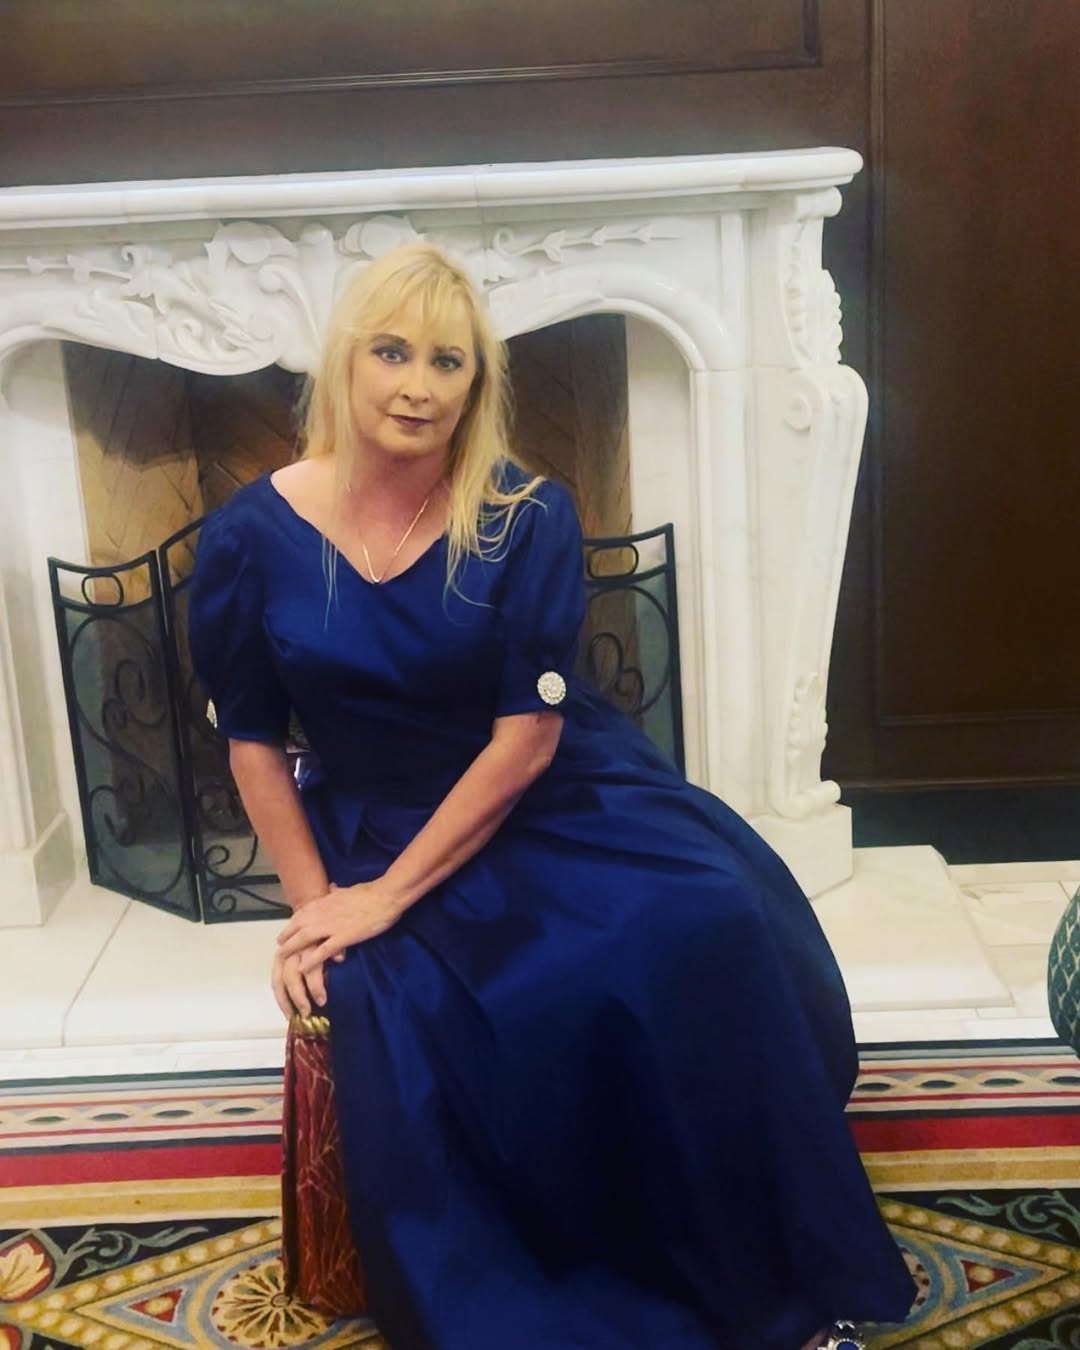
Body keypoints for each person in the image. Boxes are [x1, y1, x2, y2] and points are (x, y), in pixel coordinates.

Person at [189, 242, 914, 1350]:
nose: (419, 386)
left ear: (478, 382)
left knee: (709, 920)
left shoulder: (525, 515)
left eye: (449, 361)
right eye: (392, 352)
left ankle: (766, 1268)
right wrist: (316, 906)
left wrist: (387, 898)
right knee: (432, 1003)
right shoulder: (250, 533)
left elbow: (525, 740)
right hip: (374, 812)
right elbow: (250, 743)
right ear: (344, 360)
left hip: (541, 792)